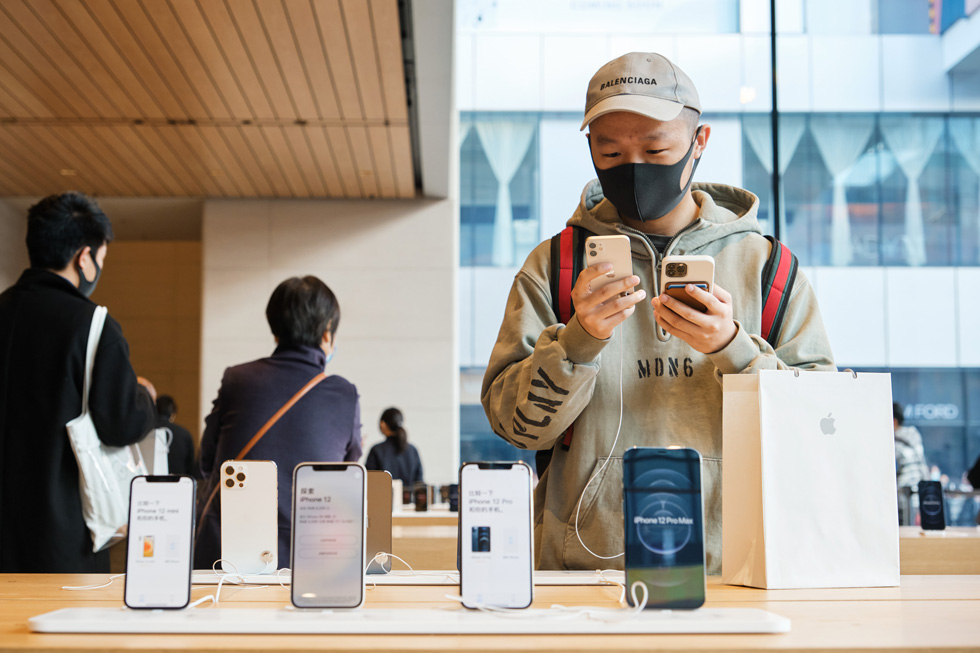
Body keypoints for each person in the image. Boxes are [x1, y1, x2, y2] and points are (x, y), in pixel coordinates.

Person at [481, 52, 835, 573]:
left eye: (655, 147)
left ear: (700, 142)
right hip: (585, 575)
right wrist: (577, 342)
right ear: (591, 150)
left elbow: (820, 426)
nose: (635, 167)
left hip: (738, 569)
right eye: (611, 151)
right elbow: (518, 428)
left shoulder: (768, 267)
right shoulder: (555, 264)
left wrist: (733, 349)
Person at [0, 192, 156, 573]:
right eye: (101, 260)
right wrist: (144, 397)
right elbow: (120, 425)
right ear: (84, 257)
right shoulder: (93, 325)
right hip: (60, 538)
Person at [195, 276, 362, 569]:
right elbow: (346, 474)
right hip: (311, 560)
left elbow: (207, 461)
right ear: (327, 334)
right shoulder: (344, 394)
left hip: (228, 554)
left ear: (275, 331)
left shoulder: (238, 379)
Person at [365, 407, 424, 487]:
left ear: (383, 424)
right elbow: (419, 483)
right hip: (408, 499)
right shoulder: (413, 450)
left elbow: (369, 482)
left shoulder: (376, 450)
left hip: (383, 499)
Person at [155, 395, 198, 478]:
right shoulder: (184, 434)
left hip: (150, 485)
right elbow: (191, 468)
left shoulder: (145, 432)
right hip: (178, 484)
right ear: (173, 414)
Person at [893, 402, 928, 490]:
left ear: (894, 421)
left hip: (904, 488)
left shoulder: (893, 442)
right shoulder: (914, 434)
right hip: (920, 486)